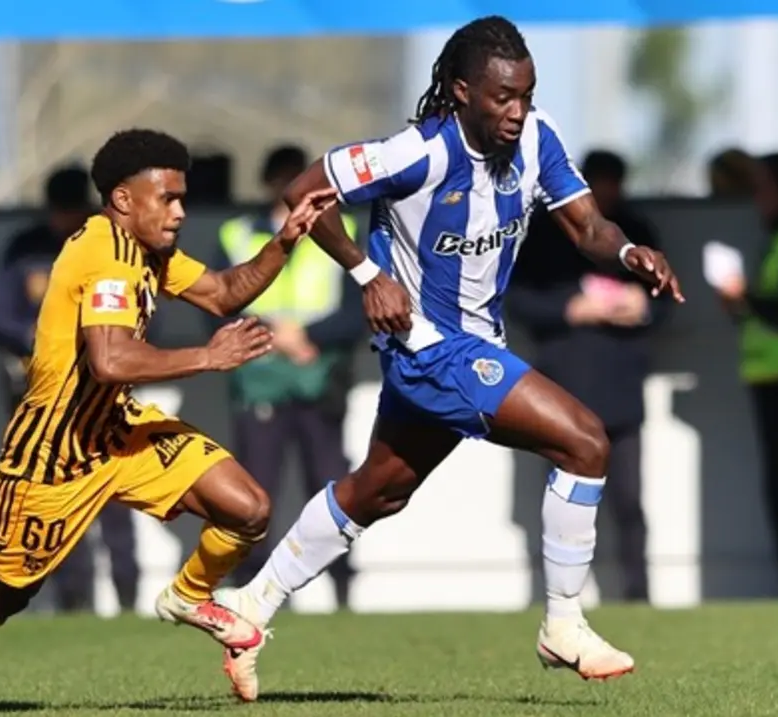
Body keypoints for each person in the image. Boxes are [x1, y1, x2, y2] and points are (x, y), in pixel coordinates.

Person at [213, 15, 683, 698]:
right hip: (430, 349)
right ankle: (563, 622)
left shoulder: (539, 137)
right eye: (503, 99)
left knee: (378, 489)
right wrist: (367, 274)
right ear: (462, 91)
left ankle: (248, 604)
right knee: (584, 441)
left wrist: (627, 252)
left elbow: (587, 225)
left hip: (470, 346)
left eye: (525, 94)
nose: (517, 112)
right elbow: (305, 193)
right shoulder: (418, 152)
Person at [0, 128, 338, 715]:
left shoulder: (146, 249)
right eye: (168, 199)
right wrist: (209, 356)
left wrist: (286, 239)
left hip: (117, 432)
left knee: (247, 507)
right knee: (10, 591)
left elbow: (226, 292)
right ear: (124, 200)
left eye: (183, 198)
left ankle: (188, 597)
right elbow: (110, 360)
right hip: (52, 451)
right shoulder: (107, 256)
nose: (180, 211)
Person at [0, 165, 140, 613]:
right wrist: (41, 340)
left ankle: (126, 595)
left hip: (102, 393)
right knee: (55, 499)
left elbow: (146, 315)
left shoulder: (112, 247)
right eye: (60, 210)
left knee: (113, 493)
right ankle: (73, 601)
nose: (65, 219)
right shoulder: (27, 250)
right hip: (46, 398)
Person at [509, 149, 663, 602]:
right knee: (563, 503)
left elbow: (666, 296)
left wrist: (643, 307)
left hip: (621, 387)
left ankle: (639, 595)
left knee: (629, 502)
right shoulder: (543, 233)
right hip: (563, 390)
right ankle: (558, 597)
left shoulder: (637, 234)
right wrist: (570, 309)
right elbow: (515, 299)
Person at [215, 145, 363, 600]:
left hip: (319, 379)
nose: (290, 192)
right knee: (255, 492)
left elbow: (361, 309)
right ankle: (251, 591)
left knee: (331, 486)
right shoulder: (235, 235)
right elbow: (215, 304)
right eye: (282, 182)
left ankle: (341, 588)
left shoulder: (348, 229)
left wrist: (309, 337)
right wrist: (276, 336)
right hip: (260, 379)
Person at [715, 148, 778, 598]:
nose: (755, 199)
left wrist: (748, 296)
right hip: (771, 380)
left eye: (763, 188)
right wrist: (741, 303)